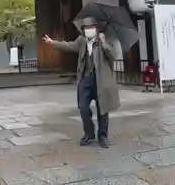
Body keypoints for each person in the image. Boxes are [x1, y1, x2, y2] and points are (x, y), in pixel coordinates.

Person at [43, 20, 120, 148]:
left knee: (103, 109)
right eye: (86, 28)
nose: (88, 29)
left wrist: (104, 42)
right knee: (83, 107)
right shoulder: (82, 40)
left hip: (101, 80)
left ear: (96, 28)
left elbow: (113, 55)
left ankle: (102, 135)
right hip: (86, 79)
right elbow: (69, 45)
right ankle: (89, 133)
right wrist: (53, 43)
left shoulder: (104, 39)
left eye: (91, 27)